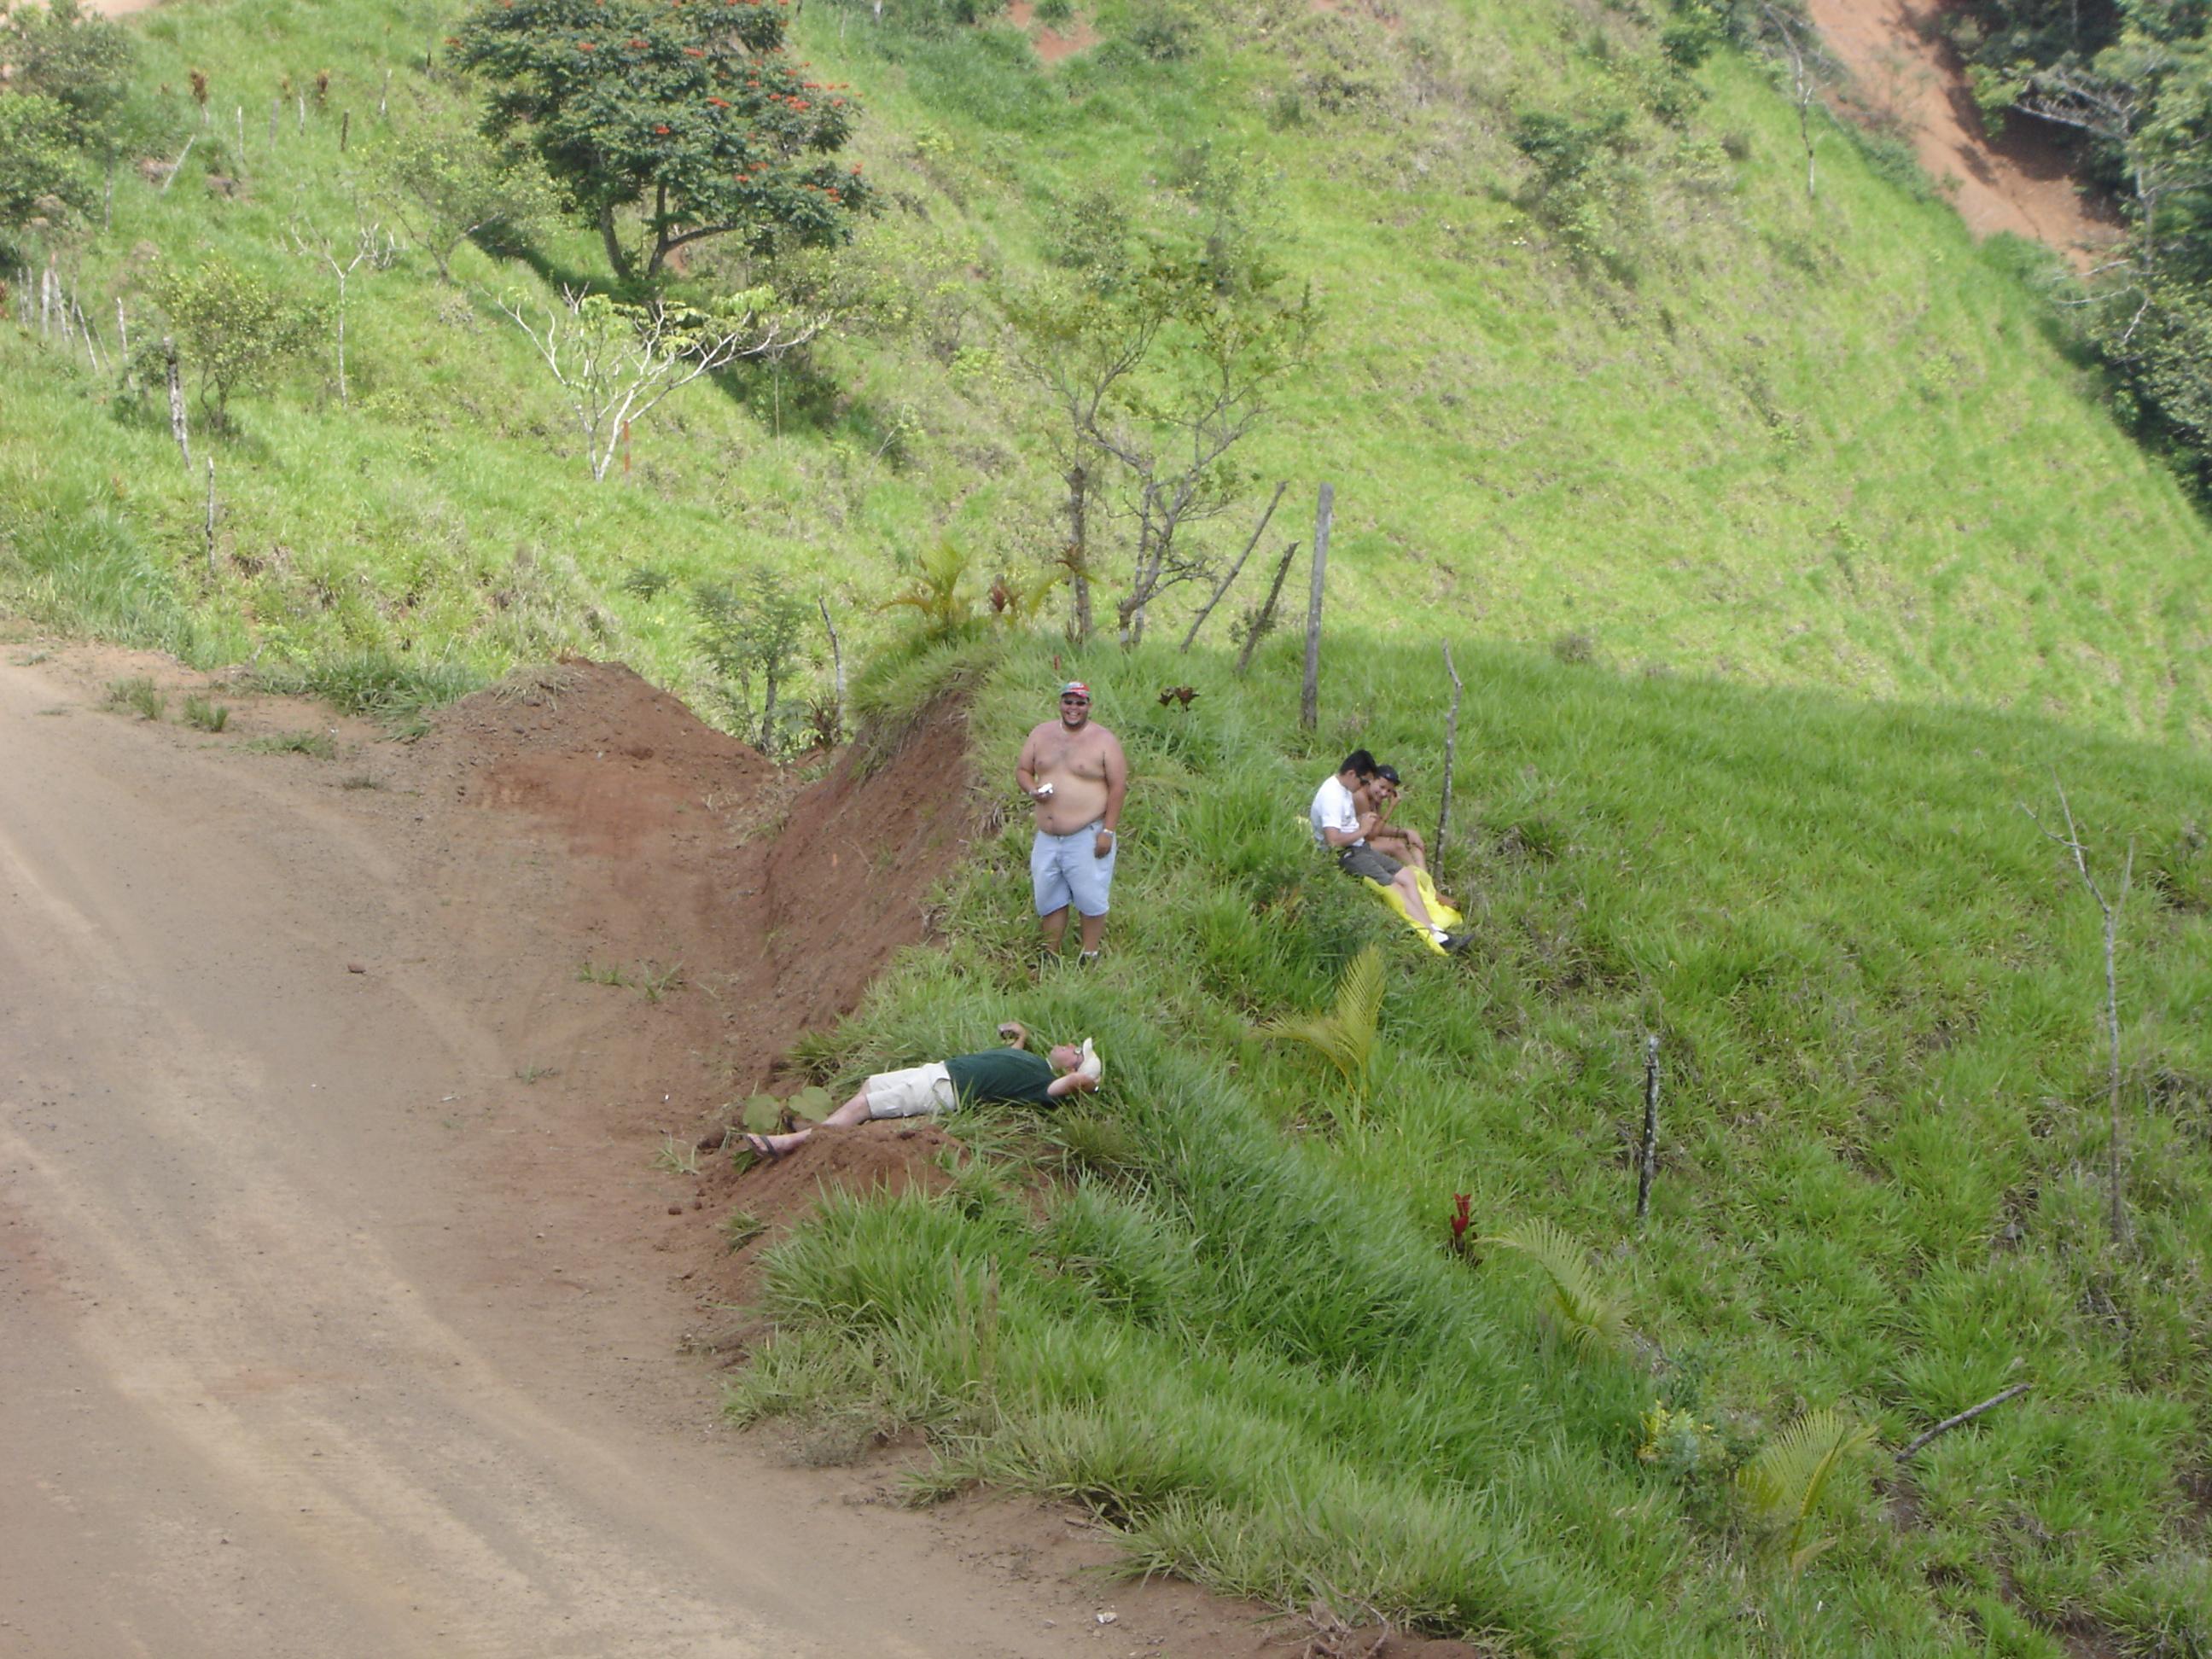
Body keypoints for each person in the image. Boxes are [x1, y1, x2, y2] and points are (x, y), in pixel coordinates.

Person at [742, 1026, 1101, 1161]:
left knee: (864, 1105)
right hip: (937, 1071)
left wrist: (1089, 1078)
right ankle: (820, 1131)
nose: (1068, 1045)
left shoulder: (1044, 1084)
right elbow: (1008, 1056)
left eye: (1075, 1051)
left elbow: (1074, 1085)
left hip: (945, 1089)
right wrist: (1020, 1035)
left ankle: (792, 1142)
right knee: (870, 1085)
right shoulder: (1033, 1062)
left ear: (1072, 1070)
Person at [1016, 681, 1128, 967]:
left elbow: (1118, 787)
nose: (1073, 708)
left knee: (1090, 896)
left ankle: (1089, 955)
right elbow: (1023, 770)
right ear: (1060, 704)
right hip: (1047, 836)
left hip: (1087, 833)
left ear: (1089, 706)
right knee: (1049, 895)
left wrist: (1108, 831)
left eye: (1080, 703)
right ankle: (1050, 955)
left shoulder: (1104, 740)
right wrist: (1032, 790)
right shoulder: (1041, 734)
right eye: (1068, 702)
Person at [1310, 751, 1470, 952]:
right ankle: (1434, 935)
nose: (1364, 786)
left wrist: (1364, 828)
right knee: (1395, 887)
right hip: (1346, 854)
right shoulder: (1332, 796)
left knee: (1408, 876)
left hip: (1360, 847)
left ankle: (1435, 928)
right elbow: (1333, 841)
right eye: (1364, 781)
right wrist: (1363, 830)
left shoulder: (1345, 789)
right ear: (1351, 774)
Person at [1365, 764, 1428, 871]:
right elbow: (1371, 835)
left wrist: (1405, 832)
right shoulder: (1361, 798)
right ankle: (1419, 877)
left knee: (1412, 842)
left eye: (1389, 791)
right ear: (1371, 780)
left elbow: (1377, 827)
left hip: (1366, 839)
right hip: (1356, 845)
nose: (1384, 793)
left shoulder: (1376, 800)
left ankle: (1425, 877)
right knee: (1397, 845)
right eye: (1382, 787)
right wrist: (1391, 807)